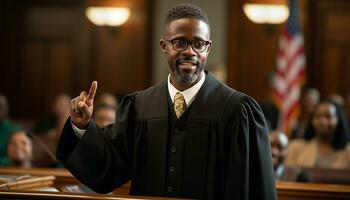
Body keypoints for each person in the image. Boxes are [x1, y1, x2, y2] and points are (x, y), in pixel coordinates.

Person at [56, 4, 276, 199]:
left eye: (198, 44)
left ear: (208, 48)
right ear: (164, 45)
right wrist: (82, 126)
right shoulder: (140, 107)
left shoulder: (237, 110)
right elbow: (108, 167)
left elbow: (251, 188)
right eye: (179, 42)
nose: (190, 51)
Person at [286, 100, 350, 169]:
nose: (322, 121)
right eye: (318, 116)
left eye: (328, 116)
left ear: (338, 120)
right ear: (312, 120)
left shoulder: (347, 152)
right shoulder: (295, 148)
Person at [0, 94, 22, 166]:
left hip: (8, 169)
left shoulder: (14, 129)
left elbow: (18, 155)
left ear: (6, 108)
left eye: (0, 106)